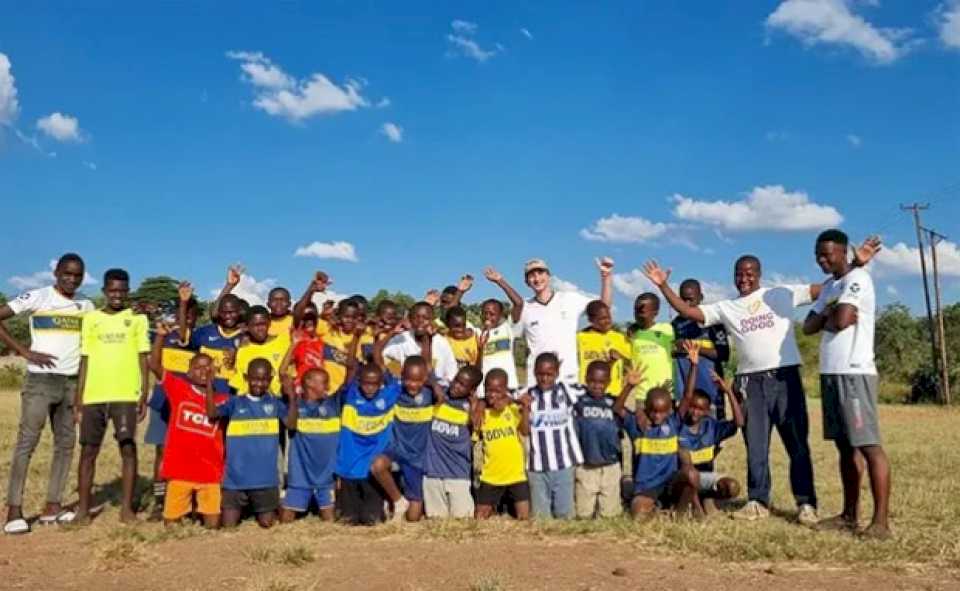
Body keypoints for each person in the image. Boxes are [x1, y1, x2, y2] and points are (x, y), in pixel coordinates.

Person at [640, 237, 880, 524]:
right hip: (749, 383)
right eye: (739, 274)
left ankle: (806, 504)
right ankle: (757, 501)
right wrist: (663, 285)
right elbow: (688, 311)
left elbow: (829, 285)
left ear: (759, 274)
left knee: (797, 445)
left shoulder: (782, 294)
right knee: (755, 446)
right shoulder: (727, 308)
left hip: (784, 377)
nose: (744, 278)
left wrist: (855, 264)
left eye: (749, 272)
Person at [803, 229, 891, 539]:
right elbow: (810, 325)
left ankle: (880, 522)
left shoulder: (858, 280)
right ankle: (849, 515)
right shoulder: (831, 286)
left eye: (827, 254)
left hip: (854, 372)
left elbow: (842, 321)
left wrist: (832, 315)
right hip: (831, 372)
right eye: (818, 254)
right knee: (844, 446)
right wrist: (831, 310)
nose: (822, 259)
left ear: (844, 252)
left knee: (868, 445)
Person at [2, 253, 94, 534]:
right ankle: (14, 510)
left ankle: (53, 506)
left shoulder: (86, 306)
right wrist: (24, 351)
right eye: (67, 273)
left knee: (65, 445)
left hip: (70, 383)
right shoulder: (37, 297)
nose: (72, 279)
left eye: (78, 275)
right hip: (40, 382)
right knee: (27, 443)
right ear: (56, 273)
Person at [74, 268, 151, 524]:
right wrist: (79, 397)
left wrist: (143, 393)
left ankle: (126, 509)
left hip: (125, 394)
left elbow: (143, 358)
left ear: (128, 292)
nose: (117, 295)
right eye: (112, 290)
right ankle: (83, 510)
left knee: (128, 448)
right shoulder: (91, 319)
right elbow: (84, 360)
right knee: (88, 451)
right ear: (105, 291)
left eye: (122, 290)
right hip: (95, 395)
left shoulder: (137, 320)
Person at [489, 258, 614, 385]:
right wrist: (500, 281)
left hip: (568, 379)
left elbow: (603, 307)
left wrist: (606, 277)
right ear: (527, 282)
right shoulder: (524, 308)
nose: (537, 278)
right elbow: (512, 325)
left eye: (540, 273)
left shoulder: (570, 299)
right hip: (537, 381)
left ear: (549, 276)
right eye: (531, 276)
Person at [206, 358, 295, 528]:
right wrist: (210, 385)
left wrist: (291, 396)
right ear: (246, 378)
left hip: (265, 480)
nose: (259, 384)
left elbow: (291, 424)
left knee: (267, 524)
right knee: (228, 526)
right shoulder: (235, 402)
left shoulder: (275, 404)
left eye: (264, 380)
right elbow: (211, 413)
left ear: (270, 380)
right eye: (254, 378)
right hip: (235, 480)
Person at [154, 348, 227, 528]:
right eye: (198, 368)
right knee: (170, 526)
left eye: (208, 368)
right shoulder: (178, 388)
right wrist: (161, 336)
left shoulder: (224, 399)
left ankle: (199, 509)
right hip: (180, 471)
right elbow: (154, 365)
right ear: (189, 372)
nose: (204, 372)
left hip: (210, 473)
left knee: (212, 526)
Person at [144, 281, 199, 521]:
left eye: (190, 315)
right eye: (182, 314)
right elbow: (153, 364)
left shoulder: (196, 341)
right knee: (162, 451)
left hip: (188, 405)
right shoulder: (163, 336)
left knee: (189, 452)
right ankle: (159, 500)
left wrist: (185, 303)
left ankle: (188, 498)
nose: (186, 319)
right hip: (164, 401)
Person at [369, 353, 437, 523]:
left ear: (425, 379)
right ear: (402, 376)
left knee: (413, 518)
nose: (412, 385)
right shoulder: (396, 390)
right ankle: (398, 501)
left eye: (417, 380)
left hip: (418, 458)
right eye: (408, 379)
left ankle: (405, 502)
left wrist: (434, 383)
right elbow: (379, 361)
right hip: (396, 450)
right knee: (377, 465)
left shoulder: (430, 394)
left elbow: (444, 395)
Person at [676, 342, 743, 514]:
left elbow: (739, 423)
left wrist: (728, 392)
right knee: (686, 462)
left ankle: (705, 499)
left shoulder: (711, 427)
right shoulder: (678, 423)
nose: (695, 412)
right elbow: (687, 394)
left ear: (707, 411)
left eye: (700, 409)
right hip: (681, 480)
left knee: (732, 487)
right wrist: (694, 365)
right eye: (692, 406)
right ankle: (694, 506)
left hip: (704, 480)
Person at [617, 384, 700, 520]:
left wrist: (694, 366)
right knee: (639, 514)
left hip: (670, 482)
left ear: (669, 410)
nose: (657, 416)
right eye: (653, 411)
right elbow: (618, 408)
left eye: (662, 412)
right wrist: (629, 386)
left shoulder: (673, 422)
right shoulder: (637, 426)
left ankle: (679, 514)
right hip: (647, 486)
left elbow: (687, 396)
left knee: (692, 475)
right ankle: (657, 510)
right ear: (646, 408)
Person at [334, 362, 401, 526]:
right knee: (348, 521)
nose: (369, 388)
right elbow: (350, 368)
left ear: (380, 383)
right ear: (358, 381)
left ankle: (384, 503)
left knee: (372, 520)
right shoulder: (350, 395)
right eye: (366, 383)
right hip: (349, 468)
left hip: (370, 472)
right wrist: (356, 339)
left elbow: (397, 378)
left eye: (374, 384)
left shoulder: (389, 395)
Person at [573, 361, 641, 519]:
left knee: (609, 515)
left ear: (609, 383)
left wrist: (629, 386)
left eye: (602, 382)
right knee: (583, 515)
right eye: (592, 381)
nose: (597, 386)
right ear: (586, 379)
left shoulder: (613, 402)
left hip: (610, 466)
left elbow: (618, 410)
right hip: (586, 466)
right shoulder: (579, 403)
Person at [525, 352, 583, 519]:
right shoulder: (528, 395)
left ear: (557, 373)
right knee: (541, 517)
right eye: (540, 374)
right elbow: (504, 398)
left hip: (563, 464)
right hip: (537, 467)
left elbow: (595, 391)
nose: (544, 379)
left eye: (549, 374)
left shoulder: (567, 392)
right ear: (534, 373)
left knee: (564, 515)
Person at [279, 367, 340, 523]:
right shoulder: (295, 405)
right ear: (309, 383)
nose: (327, 387)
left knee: (330, 521)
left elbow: (349, 377)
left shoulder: (333, 403)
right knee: (286, 521)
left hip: (326, 476)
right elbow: (291, 426)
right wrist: (292, 396)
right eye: (324, 382)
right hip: (300, 476)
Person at [421, 366, 483, 519]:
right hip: (432, 475)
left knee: (463, 521)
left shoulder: (472, 409)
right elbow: (425, 373)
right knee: (436, 522)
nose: (456, 386)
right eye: (456, 380)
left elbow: (476, 428)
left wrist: (475, 409)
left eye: (462, 385)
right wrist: (435, 386)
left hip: (458, 476)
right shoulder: (440, 395)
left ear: (471, 390)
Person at [474, 369, 532, 521]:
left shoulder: (513, 409)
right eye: (488, 390)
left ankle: (504, 507)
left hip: (515, 475)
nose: (492, 395)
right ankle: (496, 508)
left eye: (497, 391)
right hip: (491, 476)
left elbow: (525, 432)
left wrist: (525, 409)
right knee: (480, 518)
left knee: (524, 518)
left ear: (506, 390)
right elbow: (473, 431)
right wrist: (480, 405)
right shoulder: (482, 413)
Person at [672, 279, 730, 418]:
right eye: (683, 300)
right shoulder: (674, 325)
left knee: (712, 434)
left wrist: (694, 348)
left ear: (701, 298)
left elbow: (723, 354)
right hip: (685, 396)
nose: (686, 304)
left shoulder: (713, 323)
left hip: (710, 393)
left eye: (690, 300)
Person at [383, 302, 458, 385]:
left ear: (432, 320)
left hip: (436, 389)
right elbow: (382, 355)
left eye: (426, 318)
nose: (420, 321)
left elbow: (452, 373)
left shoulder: (442, 342)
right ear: (410, 319)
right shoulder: (401, 339)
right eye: (416, 317)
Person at [190, 291, 243, 395]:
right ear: (218, 312)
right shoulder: (203, 333)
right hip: (201, 398)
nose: (228, 316)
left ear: (239, 312)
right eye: (224, 312)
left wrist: (238, 357)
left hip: (230, 400)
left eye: (232, 312)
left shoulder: (246, 338)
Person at [228, 305, 288, 395]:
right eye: (255, 325)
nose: (260, 329)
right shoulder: (243, 350)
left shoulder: (285, 342)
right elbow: (240, 384)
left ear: (269, 323)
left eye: (263, 324)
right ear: (247, 327)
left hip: (280, 401)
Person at [627, 293, 675, 404]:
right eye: (636, 311)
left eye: (642, 312)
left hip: (665, 391)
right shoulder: (632, 334)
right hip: (642, 394)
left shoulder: (667, 330)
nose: (638, 315)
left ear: (656, 312)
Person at [577, 300, 631, 397]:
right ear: (591, 320)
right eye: (602, 318)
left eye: (609, 317)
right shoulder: (580, 338)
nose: (608, 321)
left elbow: (633, 357)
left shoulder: (619, 338)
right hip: (587, 393)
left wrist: (620, 356)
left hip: (613, 393)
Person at [476, 294, 519, 396]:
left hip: (508, 387)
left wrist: (499, 280)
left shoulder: (507, 328)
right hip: (485, 391)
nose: (487, 317)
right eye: (485, 313)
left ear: (500, 315)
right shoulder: (476, 333)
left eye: (492, 314)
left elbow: (518, 303)